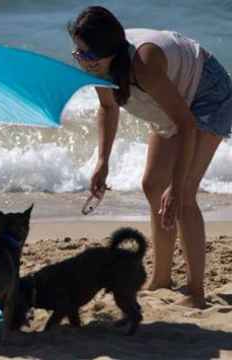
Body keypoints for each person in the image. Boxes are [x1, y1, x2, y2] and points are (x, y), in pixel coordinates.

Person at [68, 6, 232, 308]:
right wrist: (102, 162)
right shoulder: (97, 67)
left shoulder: (143, 64)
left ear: (109, 51)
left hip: (207, 92)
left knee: (183, 195)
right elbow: (107, 108)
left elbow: (186, 124)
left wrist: (179, 182)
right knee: (153, 185)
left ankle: (196, 293)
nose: (81, 60)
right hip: (174, 99)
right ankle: (161, 279)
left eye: (87, 55)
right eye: (77, 53)